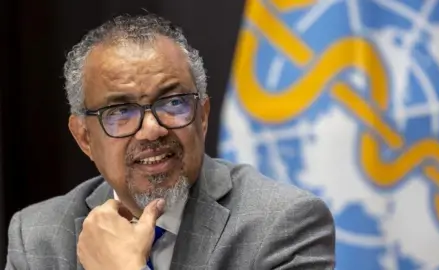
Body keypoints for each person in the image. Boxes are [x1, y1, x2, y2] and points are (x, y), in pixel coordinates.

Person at [5, 14, 335, 270]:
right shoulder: (38, 236)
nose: (152, 129)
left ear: (202, 116)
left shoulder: (282, 224)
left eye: (173, 103)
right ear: (84, 137)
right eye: (121, 111)